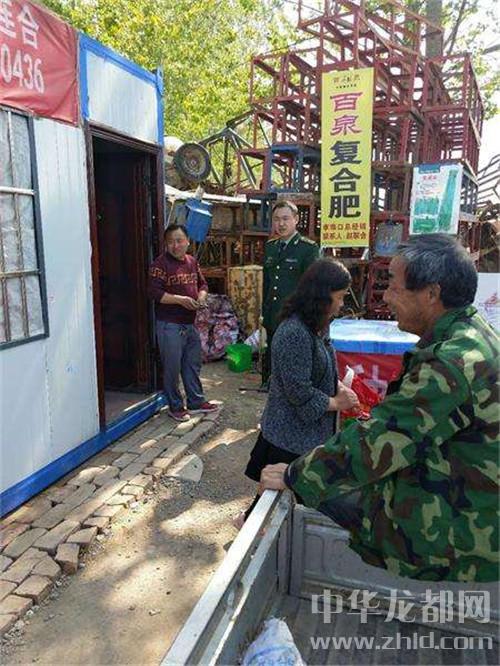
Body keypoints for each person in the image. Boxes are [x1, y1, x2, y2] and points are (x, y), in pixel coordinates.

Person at [260, 234, 499, 582]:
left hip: (463, 534)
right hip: (472, 503)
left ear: (431, 294)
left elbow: (378, 442)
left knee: (326, 487)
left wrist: (295, 475)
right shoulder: (473, 334)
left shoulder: (451, 363)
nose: (385, 297)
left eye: (394, 287)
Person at [235, 259, 360, 526]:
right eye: (340, 297)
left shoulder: (318, 323)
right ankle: (252, 528)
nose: (342, 304)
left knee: (277, 490)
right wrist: (337, 402)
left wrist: (339, 386)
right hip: (289, 434)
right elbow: (299, 392)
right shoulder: (294, 333)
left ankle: (250, 524)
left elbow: (322, 369)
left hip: (306, 432)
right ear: (323, 294)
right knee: (284, 490)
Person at [148, 224, 219, 422]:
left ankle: (196, 401)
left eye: (179, 240)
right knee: (172, 368)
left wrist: (201, 297)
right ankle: (176, 406)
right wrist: (180, 300)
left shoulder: (191, 262)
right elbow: (154, 293)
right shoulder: (159, 265)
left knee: (192, 364)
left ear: (188, 241)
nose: (175, 245)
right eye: (171, 241)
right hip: (169, 324)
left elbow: (202, 284)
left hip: (189, 323)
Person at [261, 200, 319, 388]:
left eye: (285, 219)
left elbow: (311, 287)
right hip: (273, 312)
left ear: (296, 219)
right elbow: (267, 283)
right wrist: (264, 312)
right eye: (277, 219)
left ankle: (292, 387)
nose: (281, 224)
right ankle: (271, 382)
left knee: (293, 354)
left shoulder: (308, 249)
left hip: (295, 314)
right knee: (273, 349)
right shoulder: (271, 247)